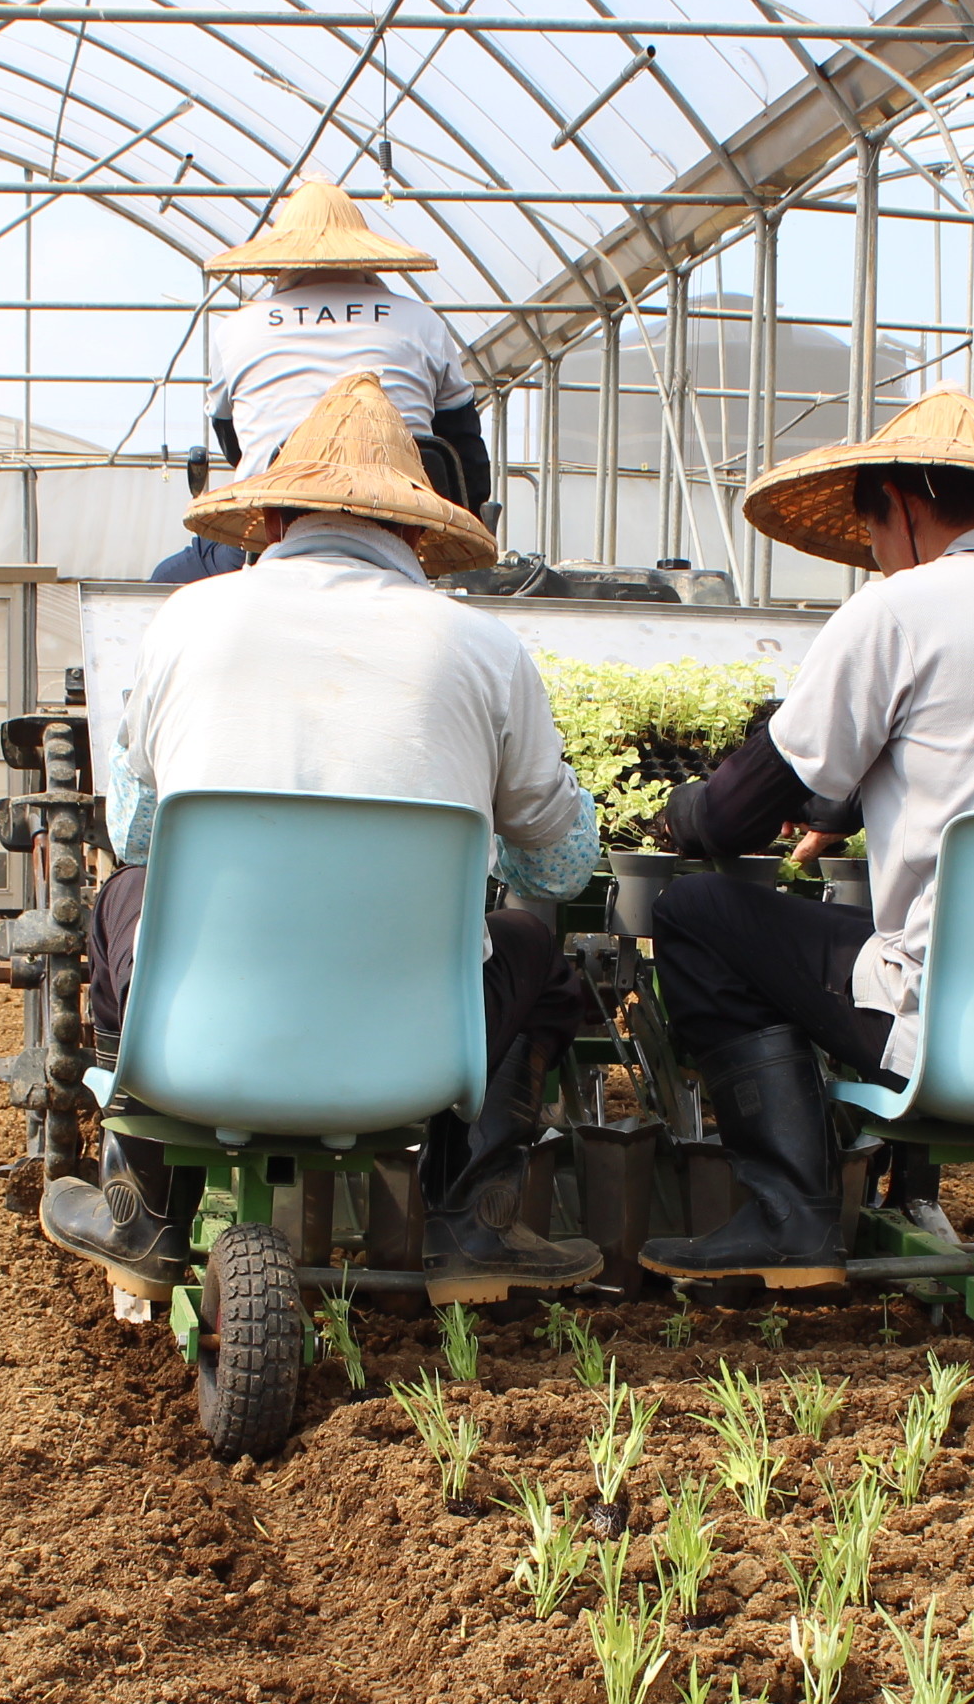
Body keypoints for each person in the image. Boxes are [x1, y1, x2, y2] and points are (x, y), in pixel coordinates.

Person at [41, 373, 600, 1305]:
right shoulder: (486, 648)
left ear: (271, 522)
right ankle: (470, 1221)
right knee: (538, 946)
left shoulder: (188, 622)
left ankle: (143, 1206)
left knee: (122, 894)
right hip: (411, 1057)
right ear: (419, 533)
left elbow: (138, 828)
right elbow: (562, 863)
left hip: (199, 1037)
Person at [635, 390, 974, 1286]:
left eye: (871, 540)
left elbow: (744, 808)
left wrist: (681, 812)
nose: (876, 562)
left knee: (698, 911)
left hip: (965, 1023)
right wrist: (847, 805)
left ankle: (789, 1217)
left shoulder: (901, 610)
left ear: (897, 505)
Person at [202, 177, 490, 513]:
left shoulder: (236, 329)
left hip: (273, 521)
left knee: (172, 570)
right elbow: (466, 459)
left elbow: (234, 445)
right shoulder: (422, 322)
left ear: (281, 260)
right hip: (404, 521)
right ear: (364, 255)